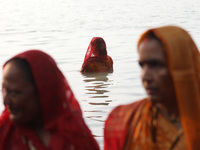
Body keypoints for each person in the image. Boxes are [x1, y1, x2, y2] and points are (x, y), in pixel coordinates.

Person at [104, 26, 200, 150]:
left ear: (181, 67)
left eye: (155, 65)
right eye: (142, 65)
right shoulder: (123, 121)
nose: (145, 76)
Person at [0, 50, 100, 150]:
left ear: (43, 91)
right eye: (4, 91)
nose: (6, 101)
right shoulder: (5, 133)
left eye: (15, 92)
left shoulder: (75, 137)